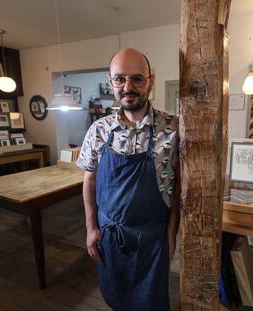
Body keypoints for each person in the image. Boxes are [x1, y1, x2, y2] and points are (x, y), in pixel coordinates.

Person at [77, 48, 180, 311]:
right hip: (110, 237)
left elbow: (179, 187)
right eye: (120, 79)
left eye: (137, 79)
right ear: (110, 80)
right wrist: (91, 228)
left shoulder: (174, 129)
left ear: (151, 80)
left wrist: (171, 232)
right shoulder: (99, 130)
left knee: (152, 302)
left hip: (153, 240)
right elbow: (89, 181)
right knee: (117, 298)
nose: (127, 87)